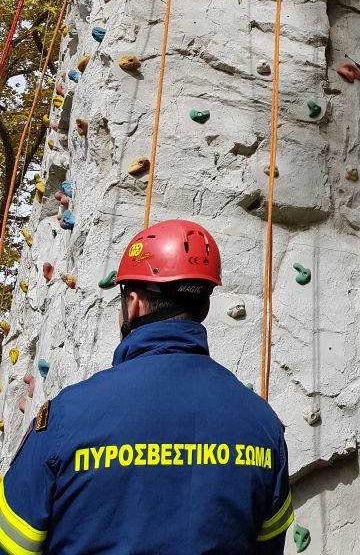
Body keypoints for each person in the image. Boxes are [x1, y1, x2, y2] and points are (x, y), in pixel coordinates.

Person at [0, 219, 293, 555]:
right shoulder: (262, 425)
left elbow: (11, 544)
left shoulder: (66, 417)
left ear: (134, 303)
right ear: (205, 306)